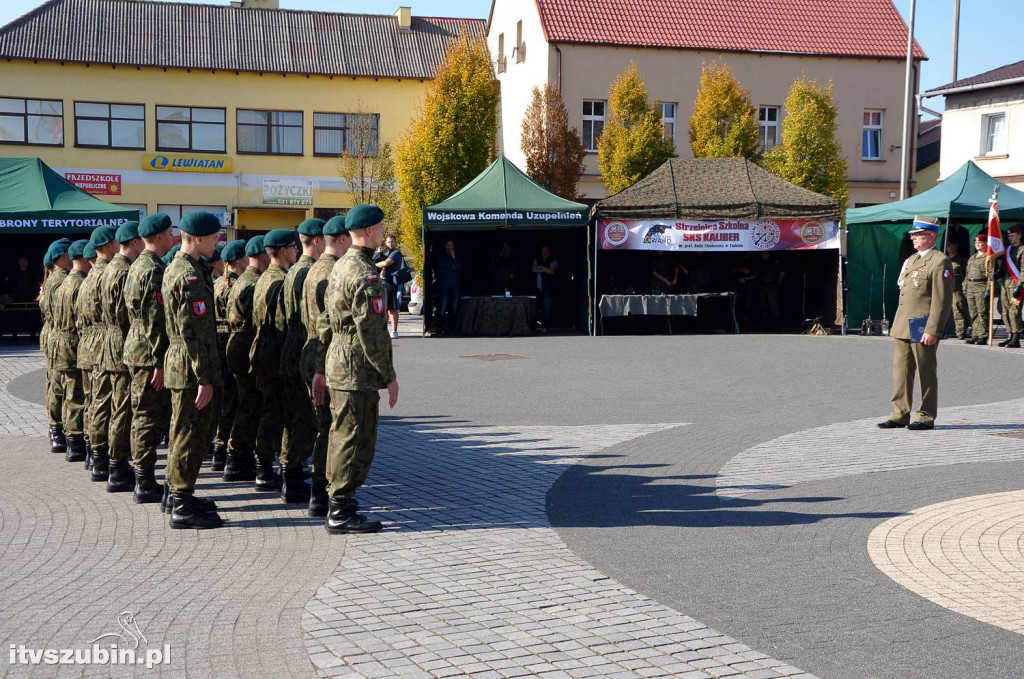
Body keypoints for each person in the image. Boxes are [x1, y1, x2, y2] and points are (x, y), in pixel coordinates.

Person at [312, 204, 398, 534]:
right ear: (368, 232)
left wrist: (322, 365)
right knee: (354, 437)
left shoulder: (341, 266)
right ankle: (341, 509)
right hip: (355, 367)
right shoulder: (363, 272)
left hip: (339, 361)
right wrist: (388, 375)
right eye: (379, 228)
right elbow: (372, 330)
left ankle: (339, 502)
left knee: (341, 434)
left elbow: (324, 320)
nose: (381, 233)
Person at [162, 211, 224, 529]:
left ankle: (179, 494)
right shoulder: (187, 274)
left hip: (183, 363)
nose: (218, 242)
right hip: (190, 367)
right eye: (215, 237)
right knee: (190, 434)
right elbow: (192, 331)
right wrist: (204, 377)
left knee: (185, 432)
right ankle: (182, 505)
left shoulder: (185, 268)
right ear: (198, 239)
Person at [878, 216, 953, 431]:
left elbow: (942, 300)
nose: (913, 238)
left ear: (931, 236)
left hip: (922, 325)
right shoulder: (911, 260)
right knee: (901, 371)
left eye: (918, 234)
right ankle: (900, 413)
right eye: (912, 234)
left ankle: (926, 415)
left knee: (925, 371)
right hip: (903, 323)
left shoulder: (940, 261)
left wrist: (933, 329)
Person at [123, 213, 174, 504]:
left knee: (143, 414)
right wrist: (158, 361)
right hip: (147, 353)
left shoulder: (136, 266)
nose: (172, 238)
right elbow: (155, 319)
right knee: (148, 417)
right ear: (157, 237)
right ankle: (144, 482)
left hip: (137, 347)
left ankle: (143, 477)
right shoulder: (153, 269)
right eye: (169, 234)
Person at [302, 215, 350, 517]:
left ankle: (319, 491)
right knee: (330, 429)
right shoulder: (332, 272)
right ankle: (322, 494)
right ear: (343, 239)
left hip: (309, 349)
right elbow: (327, 326)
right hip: (324, 352)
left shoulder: (312, 269)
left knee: (322, 426)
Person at [278, 219, 325, 503]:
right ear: (317, 240)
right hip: (303, 347)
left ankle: (290, 474)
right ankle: (293, 477)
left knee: (296, 418)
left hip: (291, 346)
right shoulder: (310, 271)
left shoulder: (294, 270)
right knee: (305, 421)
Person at [249, 228, 298, 494]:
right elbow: (282, 325)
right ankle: (266, 470)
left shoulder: (265, 277)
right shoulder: (280, 281)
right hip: (276, 353)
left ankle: (264, 468)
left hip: (264, 351)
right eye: (292, 246)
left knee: (270, 412)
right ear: (281, 251)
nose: (295, 250)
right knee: (276, 413)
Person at [98, 220, 145, 491]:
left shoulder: (109, 269)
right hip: (121, 343)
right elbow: (125, 316)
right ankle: (117, 467)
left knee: (116, 404)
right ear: (136, 242)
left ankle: (115, 464)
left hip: (111, 342)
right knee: (123, 408)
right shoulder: (123, 271)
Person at [222, 236, 266, 481]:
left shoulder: (243, 280)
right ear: (262, 256)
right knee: (248, 407)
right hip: (246, 346)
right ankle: (238, 459)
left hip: (238, 345)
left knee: (243, 405)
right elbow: (255, 325)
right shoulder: (253, 284)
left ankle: (237, 458)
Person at [79, 227, 119, 475]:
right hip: (105, 342)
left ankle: (95, 457)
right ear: (106, 246)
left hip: (91, 343)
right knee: (106, 403)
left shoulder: (89, 277)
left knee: (95, 401)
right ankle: (102, 459)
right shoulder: (107, 274)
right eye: (115, 241)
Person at [51, 240, 91, 462]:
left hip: (62, 341)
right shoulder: (78, 285)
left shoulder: (65, 283)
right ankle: (75, 444)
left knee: (68, 393)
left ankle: (71, 440)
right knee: (76, 395)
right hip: (74, 342)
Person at [210, 240, 248, 471]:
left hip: (218, 341)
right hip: (230, 342)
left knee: (224, 399)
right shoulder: (233, 286)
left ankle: (218, 449)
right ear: (237, 261)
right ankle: (224, 449)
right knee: (232, 400)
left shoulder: (216, 283)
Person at [40, 239, 72, 453]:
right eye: (70, 255)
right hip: (59, 334)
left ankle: (55, 430)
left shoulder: (51, 279)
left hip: (50, 334)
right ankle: (58, 431)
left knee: (54, 384)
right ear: (62, 257)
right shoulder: (62, 280)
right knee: (60, 386)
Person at [997, 224, 1023, 348]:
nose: (1010, 238)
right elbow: (1003, 268)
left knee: (1014, 311)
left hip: (1016, 284)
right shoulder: (1007, 250)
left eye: (1012, 236)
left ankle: (1016, 337)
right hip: (1005, 283)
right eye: (1009, 236)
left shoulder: (1023, 250)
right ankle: (1009, 335)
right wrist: (996, 275)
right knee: (1005, 311)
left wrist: (1020, 286)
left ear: (1019, 236)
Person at [374, 234, 404, 339]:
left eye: (392, 241)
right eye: (389, 242)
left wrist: (375, 265)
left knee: (391, 308)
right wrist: (378, 253)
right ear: (386, 243)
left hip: (390, 283)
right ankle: (384, 330)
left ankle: (394, 331)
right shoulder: (385, 253)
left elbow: (384, 264)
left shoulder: (396, 253)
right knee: (383, 309)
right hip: (382, 283)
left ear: (395, 242)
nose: (390, 243)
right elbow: (375, 260)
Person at [964, 233, 990, 345]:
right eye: (976, 242)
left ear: (985, 243)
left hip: (981, 287)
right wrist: (964, 287)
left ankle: (983, 335)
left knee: (982, 312)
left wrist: (988, 290)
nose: (977, 244)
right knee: (973, 312)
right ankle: (975, 334)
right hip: (970, 287)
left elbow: (990, 276)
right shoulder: (972, 258)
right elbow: (967, 274)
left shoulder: (988, 258)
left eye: (980, 242)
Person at [435, 239, 462, 334]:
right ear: (445, 246)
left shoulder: (456, 257)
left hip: (455, 285)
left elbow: (459, 268)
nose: (450, 247)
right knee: (442, 308)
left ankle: (453, 329)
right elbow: (440, 271)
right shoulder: (441, 257)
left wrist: (454, 257)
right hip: (444, 285)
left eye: (451, 245)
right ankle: (440, 328)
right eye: (448, 245)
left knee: (454, 308)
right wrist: (452, 268)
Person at [945, 240, 969, 339]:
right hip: (945, 289)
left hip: (957, 289)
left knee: (958, 309)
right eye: (949, 246)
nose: (951, 248)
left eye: (952, 246)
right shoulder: (944, 259)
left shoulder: (962, 259)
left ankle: (960, 331)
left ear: (956, 246)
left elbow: (967, 273)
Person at [532, 245, 558, 332]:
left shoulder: (553, 260)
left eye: (546, 251)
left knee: (546, 308)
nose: (544, 253)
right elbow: (533, 269)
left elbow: (551, 271)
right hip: (537, 288)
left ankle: (545, 326)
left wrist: (541, 267)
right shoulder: (537, 259)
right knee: (535, 307)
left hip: (548, 289)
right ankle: (535, 326)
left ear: (549, 251)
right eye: (543, 251)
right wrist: (544, 269)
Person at [756, 252, 785, 329]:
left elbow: (782, 272)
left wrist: (779, 282)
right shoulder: (760, 262)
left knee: (773, 305)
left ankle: (776, 324)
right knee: (763, 305)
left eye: (764, 253)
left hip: (772, 285)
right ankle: (765, 324)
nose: (762, 255)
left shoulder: (774, 261)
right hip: (762, 285)